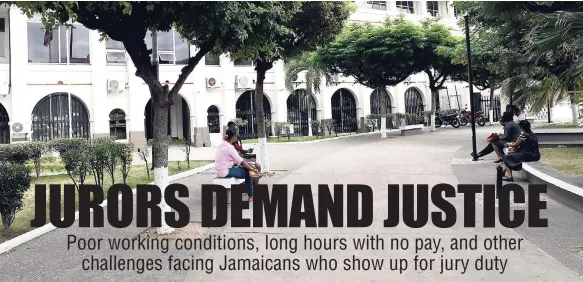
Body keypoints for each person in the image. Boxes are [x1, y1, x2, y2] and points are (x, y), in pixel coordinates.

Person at [215, 128, 259, 201]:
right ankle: (251, 196)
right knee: (249, 172)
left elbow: (225, 160)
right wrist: (252, 169)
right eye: (236, 136)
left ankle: (250, 192)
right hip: (225, 171)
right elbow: (241, 162)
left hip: (219, 169)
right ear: (233, 137)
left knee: (247, 168)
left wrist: (234, 163)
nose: (237, 137)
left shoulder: (222, 144)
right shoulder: (230, 147)